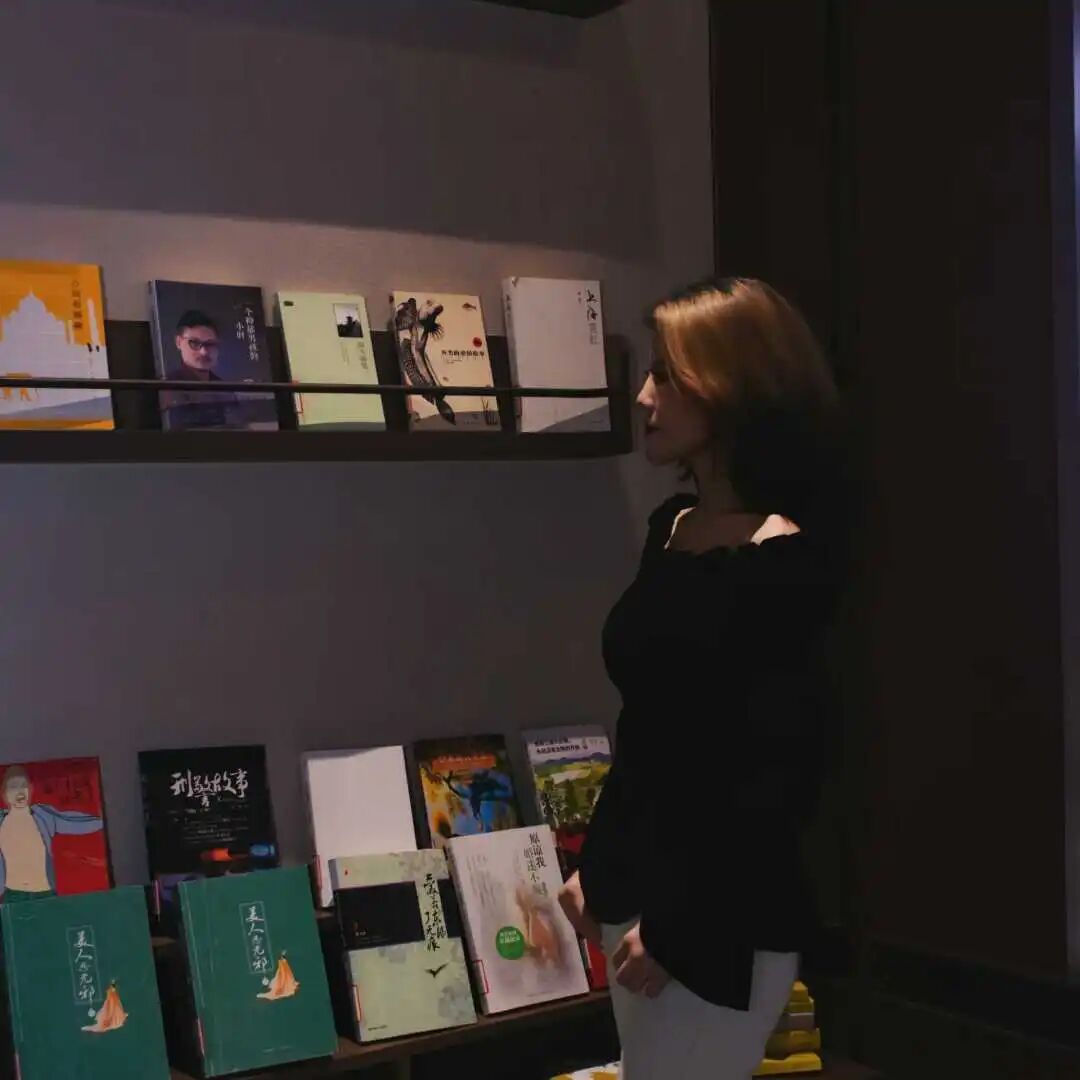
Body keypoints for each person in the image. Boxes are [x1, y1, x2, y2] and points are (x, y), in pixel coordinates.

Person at [559, 278, 842, 1079]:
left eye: (666, 374)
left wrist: (685, 927)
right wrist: (600, 869)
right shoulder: (672, 529)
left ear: (730, 388)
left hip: (717, 922)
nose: (643, 395)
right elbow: (651, 732)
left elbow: (773, 773)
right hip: (641, 899)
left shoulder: (786, 560)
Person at [0, 765, 105, 901]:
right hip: (13, 896)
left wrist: (104, 820)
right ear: (4, 794)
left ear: (31, 789)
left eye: (23, 785)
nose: (19, 791)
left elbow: (74, 822)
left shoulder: (44, 816)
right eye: (13, 787)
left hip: (44, 893)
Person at [162, 309, 241, 428]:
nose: (204, 352)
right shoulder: (168, 387)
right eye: (194, 343)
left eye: (210, 344)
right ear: (178, 342)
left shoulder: (225, 389)